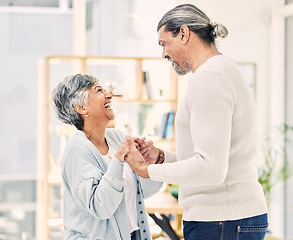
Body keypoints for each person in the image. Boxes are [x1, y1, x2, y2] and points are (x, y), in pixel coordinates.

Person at [125, 4, 268, 240]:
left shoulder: (210, 79)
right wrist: (161, 157)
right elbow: (211, 158)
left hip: (222, 220)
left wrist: (148, 170)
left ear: (183, 33)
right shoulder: (220, 70)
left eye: (164, 44)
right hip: (228, 219)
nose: (163, 54)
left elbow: (211, 170)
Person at [51, 74, 163, 240]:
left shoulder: (117, 137)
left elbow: (145, 191)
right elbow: (101, 206)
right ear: (81, 108)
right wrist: (118, 161)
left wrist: (148, 163)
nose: (109, 95)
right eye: (99, 90)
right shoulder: (77, 150)